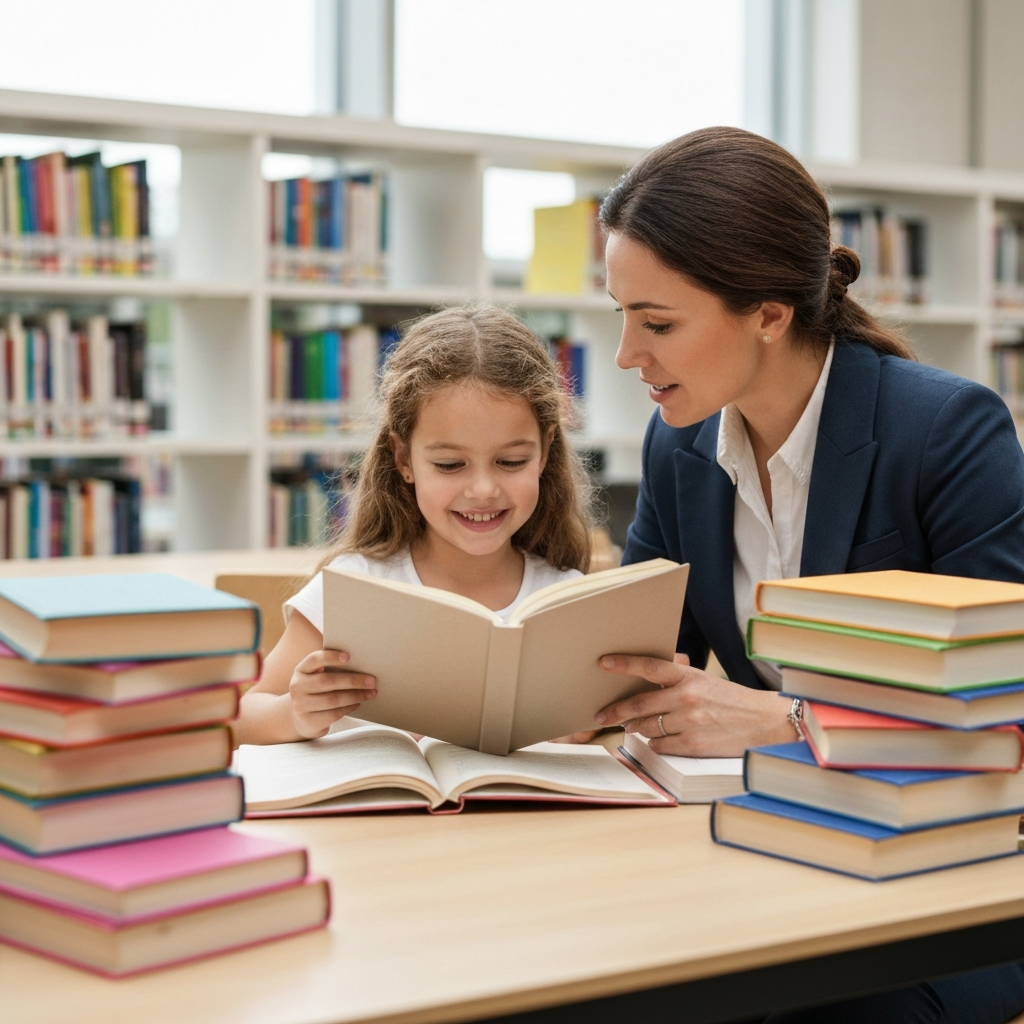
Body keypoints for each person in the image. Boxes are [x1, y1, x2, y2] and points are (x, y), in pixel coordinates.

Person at [586, 126, 1024, 1024]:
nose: (628, 355)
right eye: (621, 314)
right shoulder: (678, 448)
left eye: (658, 322)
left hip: (958, 874)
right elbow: (627, 659)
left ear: (770, 314)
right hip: (771, 846)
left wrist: (789, 721)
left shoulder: (946, 434)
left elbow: (1010, 721)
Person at [232, 305, 592, 745]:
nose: (482, 489)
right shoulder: (353, 587)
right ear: (404, 459)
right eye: (449, 464)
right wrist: (295, 712)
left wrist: (587, 725)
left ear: (544, 452)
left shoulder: (568, 599)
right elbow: (244, 714)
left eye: (511, 462)